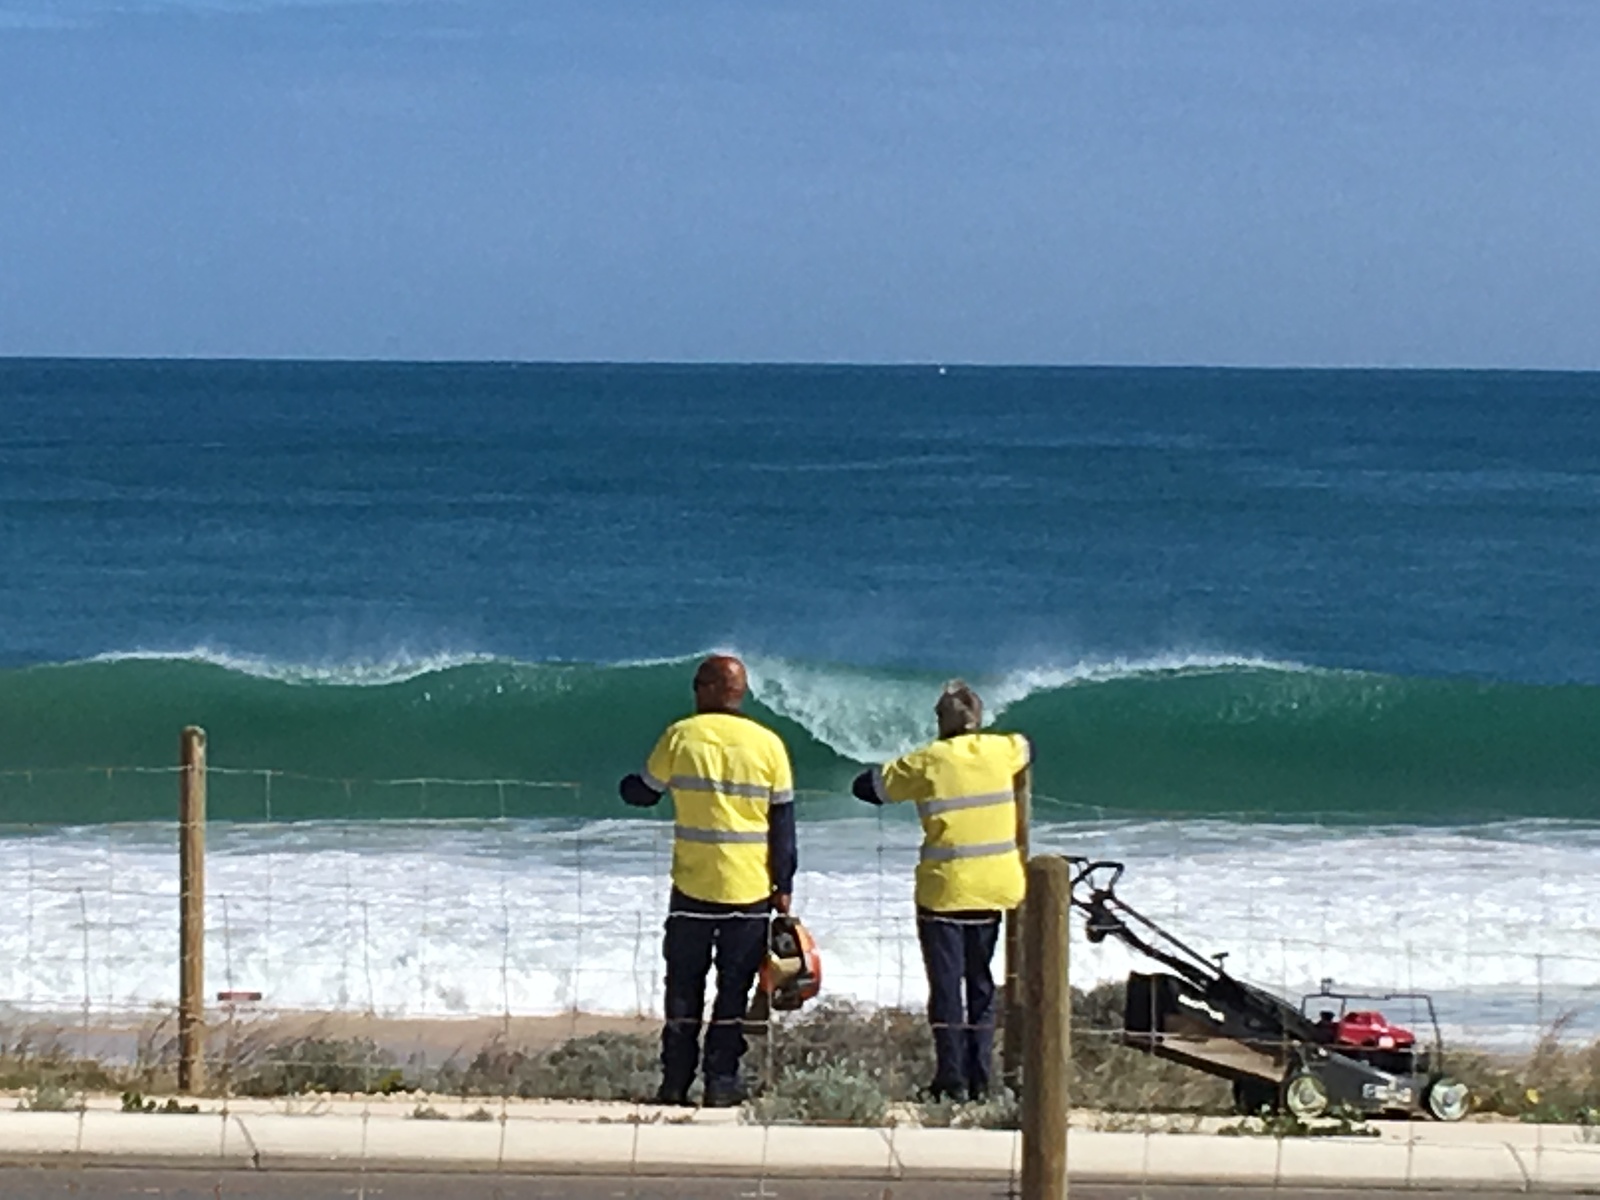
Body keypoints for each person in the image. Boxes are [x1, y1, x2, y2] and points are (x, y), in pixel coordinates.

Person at [620, 654, 796, 1107]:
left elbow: (645, 790)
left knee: (683, 988)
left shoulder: (681, 736)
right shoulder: (769, 745)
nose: (695, 692)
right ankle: (721, 1083)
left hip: (693, 886)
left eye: (698, 684)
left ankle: (675, 1083)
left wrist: (624, 787)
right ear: (738, 693)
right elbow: (783, 823)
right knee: (733, 991)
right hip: (749, 889)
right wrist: (784, 882)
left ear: (711, 690)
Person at [851, 680, 1028, 1102]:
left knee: (948, 988)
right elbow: (1029, 746)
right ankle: (982, 1080)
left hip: (945, 890)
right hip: (994, 886)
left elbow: (867, 787)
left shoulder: (927, 761)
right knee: (981, 985)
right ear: (979, 719)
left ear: (940, 721)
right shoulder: (1004, 750)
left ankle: (951, 1081)